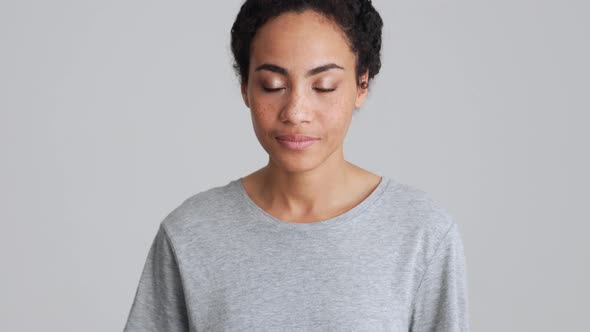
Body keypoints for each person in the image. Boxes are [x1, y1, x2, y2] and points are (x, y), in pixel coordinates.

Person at [123, 0, 469, 331]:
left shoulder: (422, 233)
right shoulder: (191, 233)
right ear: (245, 87)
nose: (296, 112)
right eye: (272, 85)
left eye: (324, 86)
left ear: (361, 84)